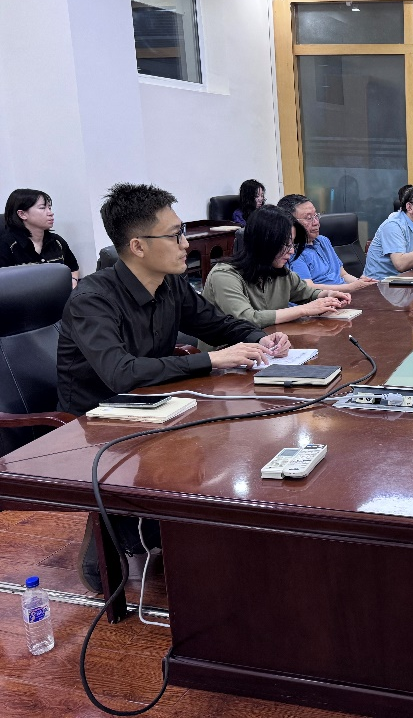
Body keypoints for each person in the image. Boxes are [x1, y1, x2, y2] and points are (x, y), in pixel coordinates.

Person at [57, 183, 293, 592]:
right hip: (96, 422)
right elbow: (121, 374)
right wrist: (211, 360)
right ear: (138, 246)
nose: (186, 244)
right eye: (175, 235)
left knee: (244, 432)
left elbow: (217, 324)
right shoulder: (92, 300)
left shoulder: (171, 285)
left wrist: (260, 338)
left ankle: (183, 532)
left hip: (158, 402)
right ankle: (119, 541)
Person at [201, 205, 352, 335]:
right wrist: (304, 310)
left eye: (293, 244)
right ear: (264, 242)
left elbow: (306, 293)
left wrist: (327, 295)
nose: (291, 251)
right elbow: (246, 319)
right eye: (286, 244)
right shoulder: (224, 275)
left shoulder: (280, 273)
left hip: (270, 346)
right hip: (227, 353)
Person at [277, 194, 377, 293]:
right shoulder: (292, 252)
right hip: (323, 299)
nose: (316, 222)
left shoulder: (323, 241)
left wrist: (362, 284)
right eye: (309, 218)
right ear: (291, 222)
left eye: (316, 215)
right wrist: (350, 288)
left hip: (345, 295)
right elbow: (307, 288)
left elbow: (343, 275)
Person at [0, 188, 80, 287]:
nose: (50, 213)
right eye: (42, 208)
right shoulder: (6, 245)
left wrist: (73, 281)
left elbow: (73, 268)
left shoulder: (57, 241)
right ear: (22, 214)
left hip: (59, 294)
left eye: (49, 208)